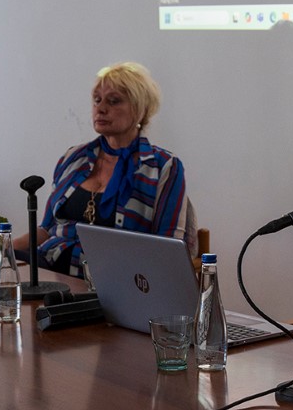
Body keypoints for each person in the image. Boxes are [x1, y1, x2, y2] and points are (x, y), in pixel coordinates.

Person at [15, 62, 194, 277]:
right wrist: (2, 249)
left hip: (114, 280)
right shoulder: (74, 157)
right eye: (97, 100)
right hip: (52, 268)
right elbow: (46, 229)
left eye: (113, 101)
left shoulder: (163, 166)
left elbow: (168, 248)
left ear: (140, 110)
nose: (100, 108)